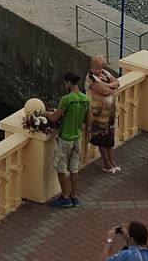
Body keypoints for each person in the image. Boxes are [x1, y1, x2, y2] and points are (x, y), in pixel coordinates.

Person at [43, 71, 89, 208]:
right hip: (77, 137)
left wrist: (46, 113)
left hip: (66, 138)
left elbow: (54, 118)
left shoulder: (67, 99)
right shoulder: (85, 99)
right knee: (74, 169)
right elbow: (88, 119)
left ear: (68, 83)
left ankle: (65, 197)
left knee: (61, 169)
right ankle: (74, 196)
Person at [85, 55, 120, 173]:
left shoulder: (105, 73)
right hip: (98, 115)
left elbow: (117, 82)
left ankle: (112, 162)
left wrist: (108, 85)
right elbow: (104, 92)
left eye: (100, 67)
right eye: (96, 68)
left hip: (109, 114)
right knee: (101, 139)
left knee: (109, 139)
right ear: (91, 67)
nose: (98, 70)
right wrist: (111, 87)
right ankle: (107, 164)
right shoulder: (91, 78)